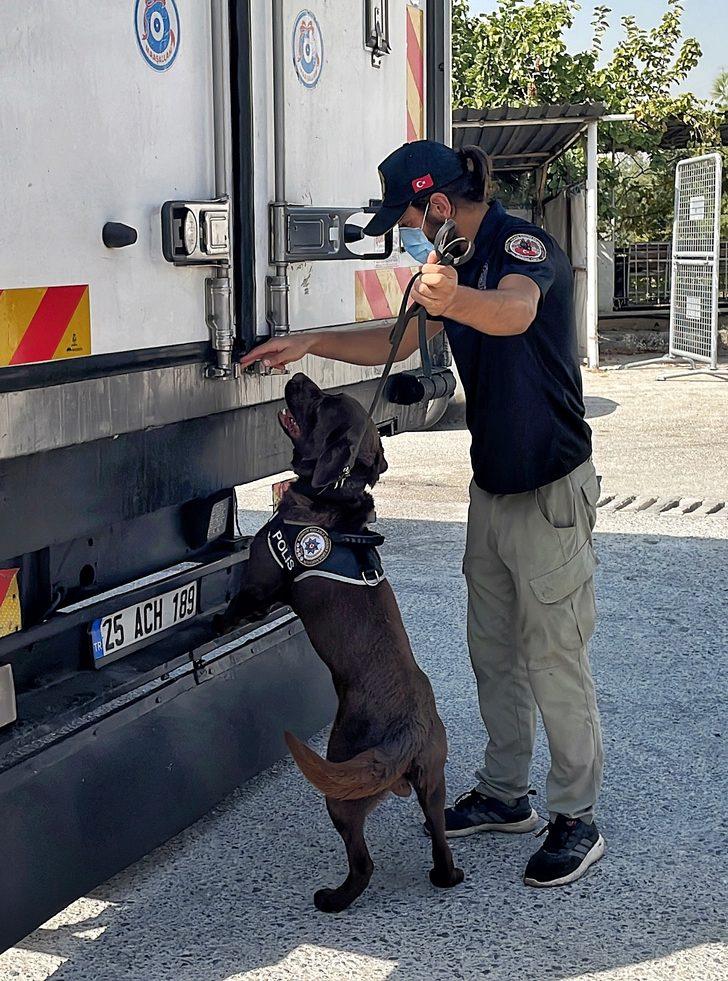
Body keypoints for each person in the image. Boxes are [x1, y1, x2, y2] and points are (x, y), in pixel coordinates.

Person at [242, 140, 605, 888]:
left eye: (405, 219)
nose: (404, 234)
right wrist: (311, 342)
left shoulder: (518, 246)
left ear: (437, 204)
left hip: (550, 492)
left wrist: (452, 298)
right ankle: (506, 793)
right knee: (492, 650)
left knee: (554, 656)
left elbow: (516, 311)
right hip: (492, 490)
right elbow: (398, 338)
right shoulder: (450, 262)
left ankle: (577, 816)